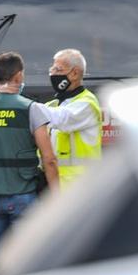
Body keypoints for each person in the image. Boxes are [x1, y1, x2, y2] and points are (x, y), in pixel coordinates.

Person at [0, 52, 58, 260]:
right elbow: (49, 159)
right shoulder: (30, 109)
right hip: (23, 194)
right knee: (29, 256)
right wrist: (57, 196)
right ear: (19, 76)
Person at [42, 48, 103, 186]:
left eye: (58, 70)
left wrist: (26, 106)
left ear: (74, 73)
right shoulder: (54, 104)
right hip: (56, 186)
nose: (53, 74)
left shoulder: (87, 103)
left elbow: (62, 119)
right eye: (52, 69)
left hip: (80, 187)